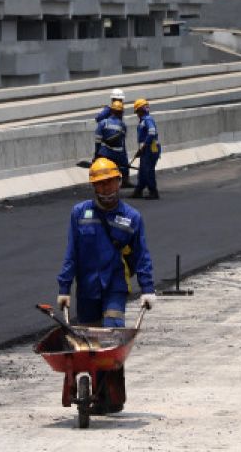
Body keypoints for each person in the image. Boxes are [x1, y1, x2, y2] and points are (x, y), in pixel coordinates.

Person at [56, 158, 156, 413]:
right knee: (88, 345)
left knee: (110, 339)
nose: (106, 189)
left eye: (110, 182)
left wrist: (147, 289)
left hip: (114, 287)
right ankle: (93, 395)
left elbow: (141, 255)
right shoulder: (80, 214)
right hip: (87, 288)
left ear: (119, 181)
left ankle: (111, 396)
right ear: (93, 187)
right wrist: (64, 288)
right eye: (100, 185)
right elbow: (71, 253)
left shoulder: (132, 217)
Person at [94, 97, 131, 187]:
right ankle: (121, 182)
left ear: (112, 111)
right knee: (119, 169)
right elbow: (121, 143)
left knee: (103, 171)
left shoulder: (104, 123)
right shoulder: (123, 125)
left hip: (105, 153)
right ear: (121, 112)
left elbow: (97, 141)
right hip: (118, 154)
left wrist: (96, 155)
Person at [132, 98, 161, 200]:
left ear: (141, 110)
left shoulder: (147, 120)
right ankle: (138, 190)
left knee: (148, 170)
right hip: (147, 149)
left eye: (137, 111)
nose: (137, 114)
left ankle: (153, 192)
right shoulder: (144, 120)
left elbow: (152, 132)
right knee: (143, 170)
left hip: (150, 149)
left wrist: (144, 146)